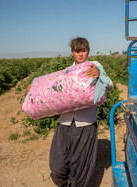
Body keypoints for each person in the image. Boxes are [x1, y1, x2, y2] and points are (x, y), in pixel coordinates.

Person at [49, 37, 113, 187]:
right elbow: (51, 90)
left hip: (86, 123)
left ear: (88, 51)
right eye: (77, 51)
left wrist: (100, 75)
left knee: (80, 167)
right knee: (58, 166)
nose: (80, 54)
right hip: (64, 123)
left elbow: (109, 85)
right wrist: (33, 89)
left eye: (83, 51)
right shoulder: (66, 72)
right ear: (72, 52)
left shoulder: (94, 66)